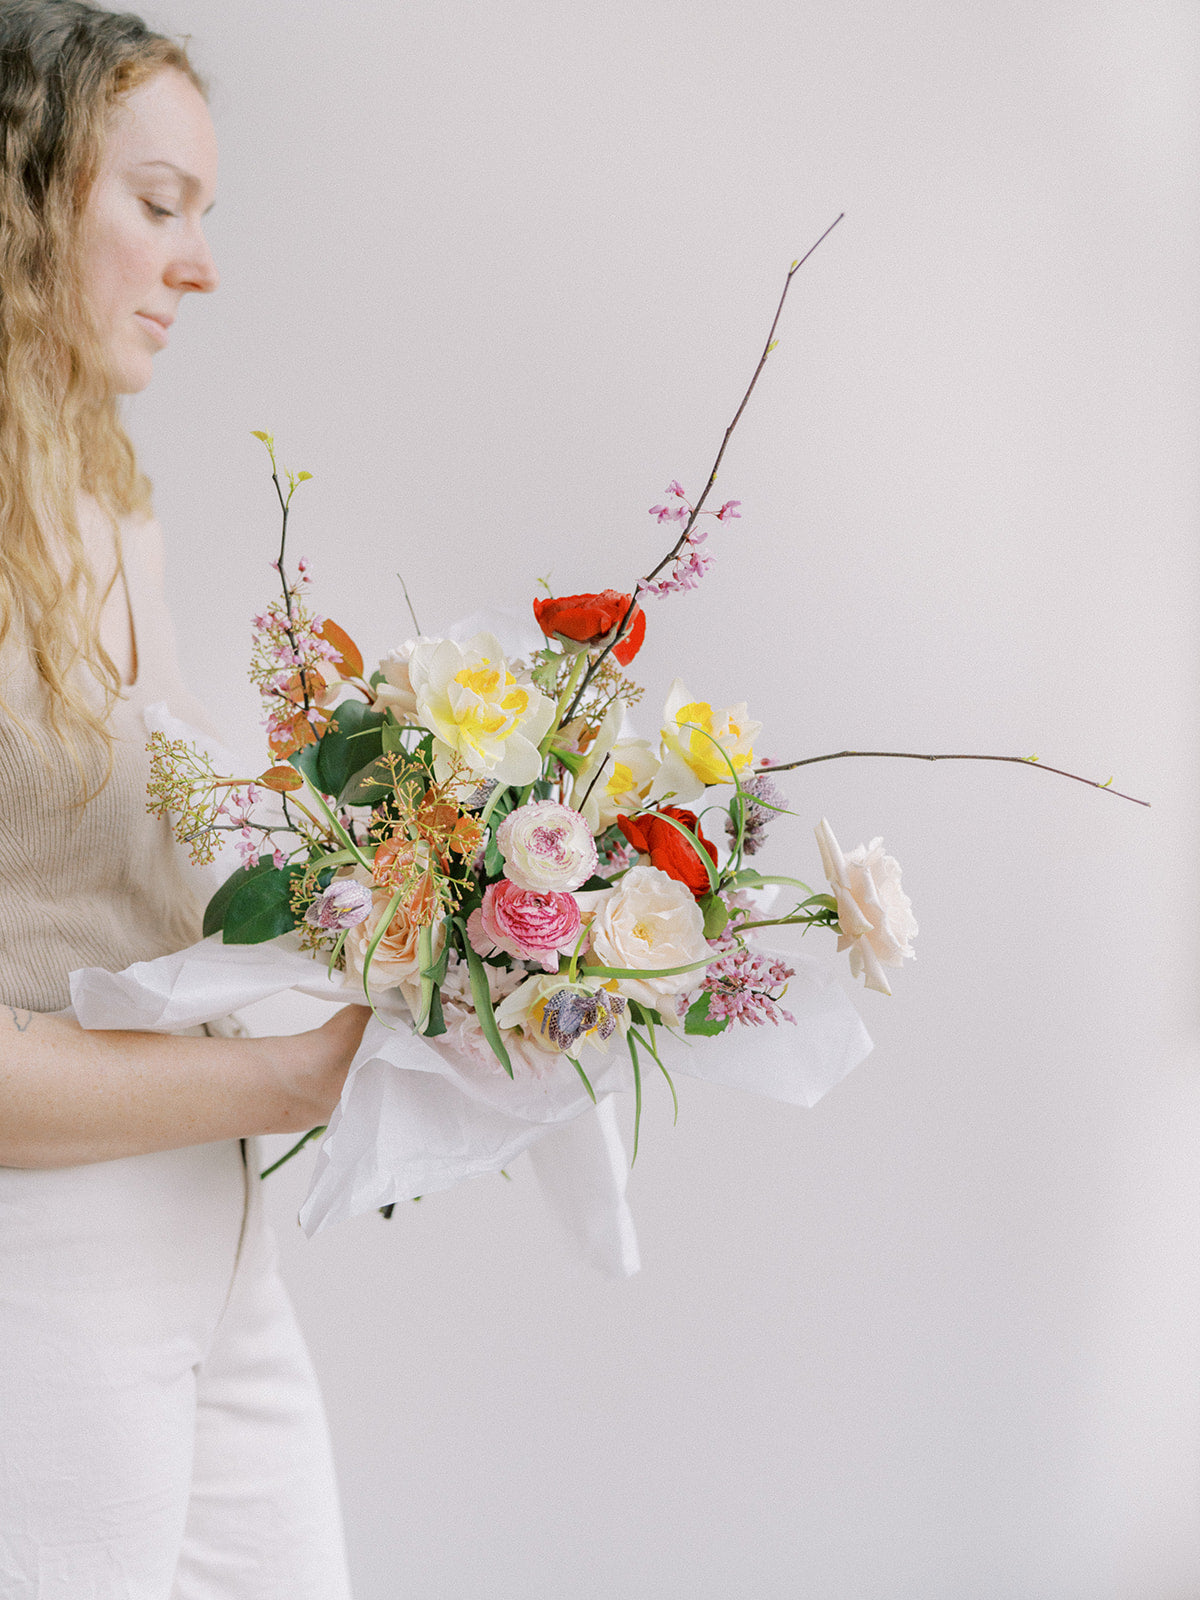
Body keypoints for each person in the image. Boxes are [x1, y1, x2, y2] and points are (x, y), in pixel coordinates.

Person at [0, 4, 364, 1593]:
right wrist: (291, 1080)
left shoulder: (108, 506)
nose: (197, 266)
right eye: (158, 206)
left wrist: (415, 874)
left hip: (205, 1240)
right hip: (43, 1259)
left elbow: (165, 847)